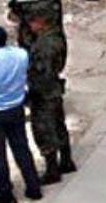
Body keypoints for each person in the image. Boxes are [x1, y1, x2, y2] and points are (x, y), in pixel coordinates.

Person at [0, 25, 42, 203]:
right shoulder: (21, 55)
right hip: (16, 109)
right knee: (22, 149)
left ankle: (6, 194)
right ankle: (33, 187)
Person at [26, 14, 72, 184]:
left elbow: (42, 72)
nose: (30, 25)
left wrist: (32, 93)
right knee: (59, 125)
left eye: (32, 21)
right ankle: (66, 161)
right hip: (54, 89)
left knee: (44, 131)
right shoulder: (56, 36)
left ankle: (52, 170)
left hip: (43, 93)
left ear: (41, 21)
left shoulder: (44, 45)